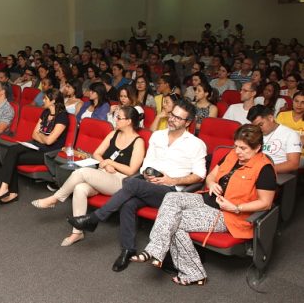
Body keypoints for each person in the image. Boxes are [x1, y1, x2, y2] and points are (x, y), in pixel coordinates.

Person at [67, 98, 206, 273]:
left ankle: (95, 219)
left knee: (130, 184)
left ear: (188, 122)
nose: (172, 119)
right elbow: (146, 164)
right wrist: (148, 174)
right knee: (128, 201)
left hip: (171, 191)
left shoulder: (196, 144)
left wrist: (172, 180)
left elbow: (200, 175)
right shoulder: (158, 135)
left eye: (178, 118)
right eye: (172, 115)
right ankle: (127, 249)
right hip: (148, 184)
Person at [131, 124, 275, 286]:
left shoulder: (264, 169)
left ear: (257, 148)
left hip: (228, 214)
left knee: (175, 220)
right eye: (236, 146)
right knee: (172, 197)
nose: (238, 151)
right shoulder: (232, 155)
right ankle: (157, 250)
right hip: (207, 199)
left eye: (243, 148)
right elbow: (210, 177)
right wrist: (212, 183)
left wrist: (235, 207)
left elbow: (266, 203)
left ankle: (190, 271)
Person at [32, 106, 145, 246]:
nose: (115, 119)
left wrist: (111, 162)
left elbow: (132, 170)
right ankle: (77, 232)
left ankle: (55, 198)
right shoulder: (114, 134)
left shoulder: (138, 142)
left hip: (122, 181)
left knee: (82, 172)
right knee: (80, 188)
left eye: (119, 118)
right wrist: (105, 163)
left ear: (128, 121)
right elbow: (97, 153)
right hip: (104, 175)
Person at [0, 89, 69, 205]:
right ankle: (5, 188)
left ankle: (11, 192)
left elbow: (49, 142)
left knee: (12, 158)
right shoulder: (45, 112)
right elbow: (34, 134)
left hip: (48, 153)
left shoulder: (62, 117)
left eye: (45, 99)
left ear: (53, 101)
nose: (42, 100)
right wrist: (43, 137)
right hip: (35, 145)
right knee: (12, 150)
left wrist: (41, 136)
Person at [247, 105, 300, 174]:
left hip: (275, 173)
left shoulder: (290, 134)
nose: (258, 129)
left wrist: (263, 170)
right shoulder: (254, 133)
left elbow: (293, 164)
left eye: (261, 124)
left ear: (271, 118)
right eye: (255, 126)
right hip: (253, 169)